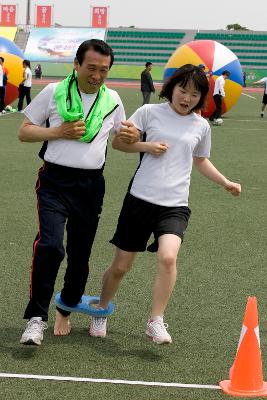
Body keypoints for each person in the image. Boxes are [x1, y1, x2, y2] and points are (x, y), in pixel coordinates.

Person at [89, 64, 241, 344]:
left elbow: (200, 160)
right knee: (121, 267)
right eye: (183, 90)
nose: (187, 98)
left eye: (195, 94)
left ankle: (155, 320)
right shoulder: (149, 113)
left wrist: (225, 182)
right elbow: (119, 144)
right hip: (140, 199)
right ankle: (101, 309)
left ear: (201, 97)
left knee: (168, 257)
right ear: (172, 89)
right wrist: (147, 146)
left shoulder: (201, 125)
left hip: (175, 205)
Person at [18, 39, 139, 346]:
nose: (97, 75)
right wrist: (57, 131)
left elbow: (120, 141)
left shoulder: (112, 99)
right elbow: (24, 131)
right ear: (76, 64)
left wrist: (132, 137)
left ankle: (66, 308)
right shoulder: (54, 92)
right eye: (91, 68)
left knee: (79, 254)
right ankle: (36, 318)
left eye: (104, 70)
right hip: (54, 182)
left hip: (90, 185)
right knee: (50, 245)